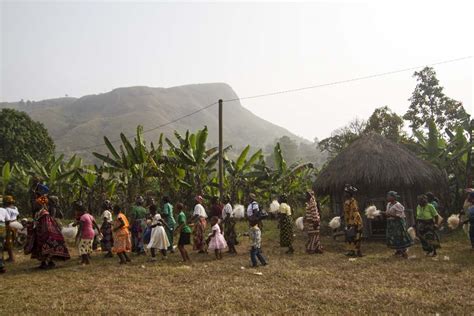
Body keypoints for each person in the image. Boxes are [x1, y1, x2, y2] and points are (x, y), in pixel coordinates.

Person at [26, 193, 71, 269]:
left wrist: (45, 233)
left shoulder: (44, 213)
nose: (35, 205)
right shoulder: (39, 213)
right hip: (40, 234)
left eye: (37, 204)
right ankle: (46, 263)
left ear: (41, 204)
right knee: (42, 250)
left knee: (47, 249)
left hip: (46, 234)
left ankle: (47, 263)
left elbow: (47, 224)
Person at [384, 191, 413, 258]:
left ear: (393, 197)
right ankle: (398, 251)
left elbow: (399, 216)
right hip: (391, 223)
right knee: (393, 236)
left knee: (400, 236)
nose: (387, 197)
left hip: (398, 223)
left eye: (389, 196)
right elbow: (387, 213)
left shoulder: (398, 205)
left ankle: (404, 252)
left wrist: (389, 214)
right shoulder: (388, 204)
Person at [343, 185, 363, 257]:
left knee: (356, 236)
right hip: (350, 221)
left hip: (355, 221)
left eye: (346, 192)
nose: (345, 194)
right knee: (350, 237)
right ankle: (351, 251)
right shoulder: (348, 201)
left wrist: (352, 223)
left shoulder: (352, 202)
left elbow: (354, 212)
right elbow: (347, 212)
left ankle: (357, 251)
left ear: (349, 193)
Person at [3, 195, 19, 262]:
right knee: (12, 240)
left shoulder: (6, 209)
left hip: (9, 225)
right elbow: (18, 216)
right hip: (15, 224)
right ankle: (11, 257)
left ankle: (11, 258)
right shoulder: (15, 208)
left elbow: (7, 219)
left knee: (8, 241)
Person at [0, 204, 11, 273]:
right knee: (1, 246)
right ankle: (1, 265)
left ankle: (1, 265)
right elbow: (8, 220)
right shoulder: (4, 210)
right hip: (2, 227)